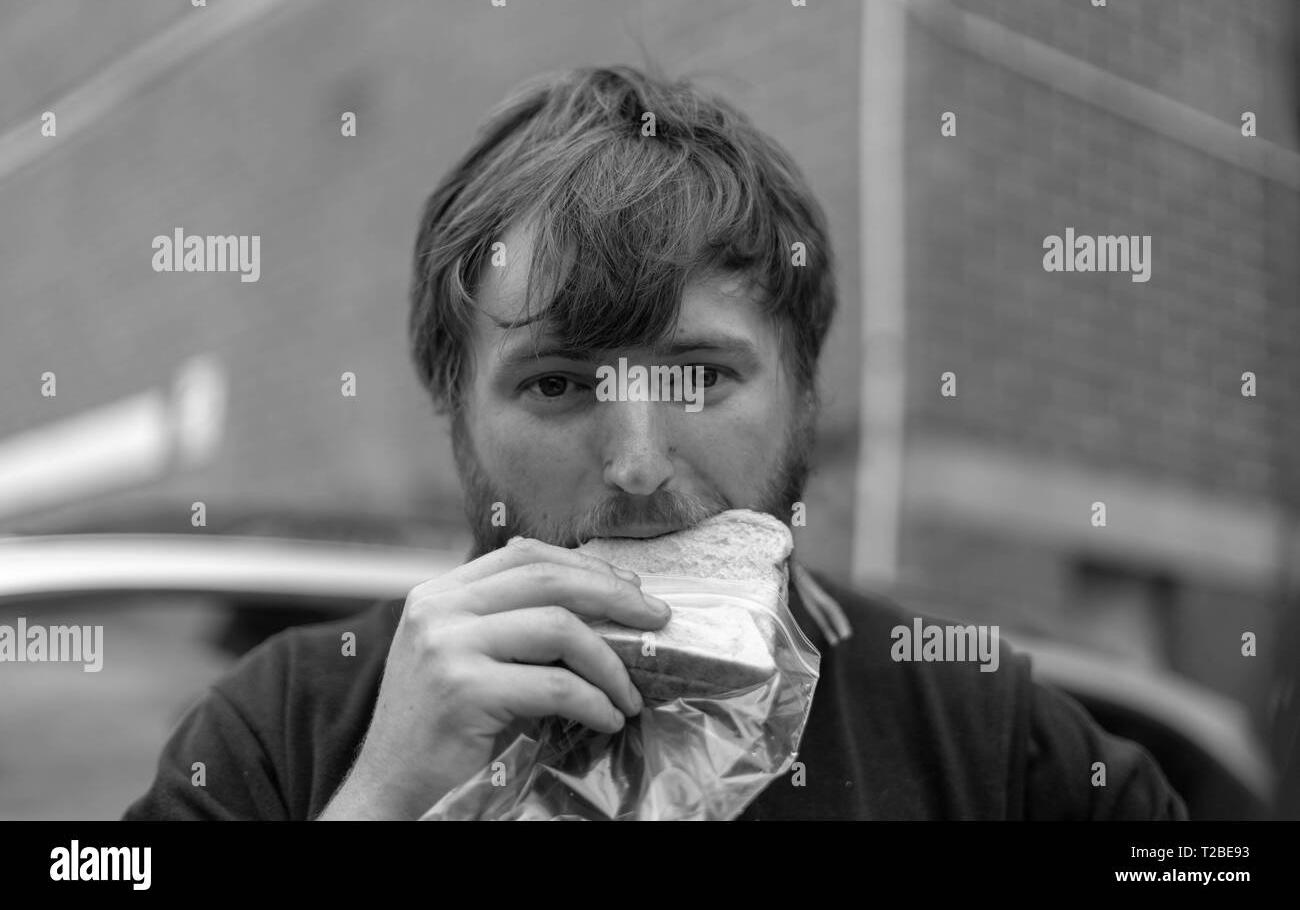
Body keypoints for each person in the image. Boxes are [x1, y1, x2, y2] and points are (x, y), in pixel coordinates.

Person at [123, 65, 1186, 820]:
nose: (635, 460)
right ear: (453, 407)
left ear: (804, 390)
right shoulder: (278, 728)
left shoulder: (983, 734)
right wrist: (385, 795)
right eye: (557, 382)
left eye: (702, 376)